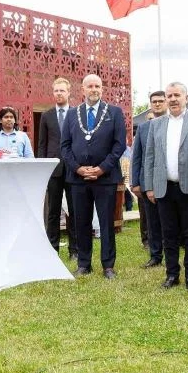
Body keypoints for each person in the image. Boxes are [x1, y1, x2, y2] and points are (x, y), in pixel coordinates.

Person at [143, 82, 188, 291]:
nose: (172, 99)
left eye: (177, 95)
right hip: (164, 187)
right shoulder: (156, 124)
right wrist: (149, 187)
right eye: (169, 96)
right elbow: (150, 157)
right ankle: (172, 274)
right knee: (168, 233)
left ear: (186, 98)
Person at [61, 73, 126, 279]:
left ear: (102, 89)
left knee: (106, 222)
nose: (94, 89)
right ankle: (83, 263)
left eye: (97, 86)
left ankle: (108, 266)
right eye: (90, 86)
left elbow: (119, 145)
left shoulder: (114, 113)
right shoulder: (72, 114)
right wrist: (78, 168)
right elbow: (65, 146)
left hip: (105, 178)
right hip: (78, 179)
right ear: (82, 89)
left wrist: (102, 168)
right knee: (81, 221)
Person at [37, 78, 77, 259]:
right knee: (53, 211)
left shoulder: (77, 114)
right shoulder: (47, 116)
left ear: (69, 92)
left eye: (62, 90)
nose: (59, 93)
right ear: (53, 93)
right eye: (56, 91)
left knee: (74, 210)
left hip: (73, 168)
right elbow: (42, 145)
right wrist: (42, 169)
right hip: (53, 171)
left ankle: (74, 250)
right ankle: (52, 250)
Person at [131, 90, 167, 268]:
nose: (158, 104)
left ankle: (171, 251)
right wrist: (135, 182)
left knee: (169, 220)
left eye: (161, 101)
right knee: (151, 221)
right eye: (155, 101)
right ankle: (155, 255)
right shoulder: (143, 128)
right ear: (150, 105)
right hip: (148, 181)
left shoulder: (174, 124)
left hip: (169, 181)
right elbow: (136, 156)